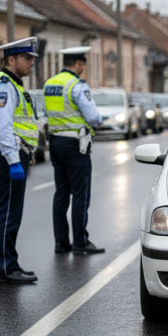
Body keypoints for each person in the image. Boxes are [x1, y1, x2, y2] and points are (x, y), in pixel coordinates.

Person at [0, 37, 40, 284]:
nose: (31, 63)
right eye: (27, 58)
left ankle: (2, 265)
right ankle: (6, 267)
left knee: (4, 212)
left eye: (32, 59)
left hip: (14, 154)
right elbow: (4, 128)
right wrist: (13, 160)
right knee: (8, 213)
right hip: (9, 156)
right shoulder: (5, 86)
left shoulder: (14, 85)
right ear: (11, 59)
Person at [45, 46, 105, 255]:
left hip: (55, 143)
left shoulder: (50, 84)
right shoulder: (77, 86)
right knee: (80, 193)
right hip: (75, 145)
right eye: (83, 65)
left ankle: (61, 242)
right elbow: (92, 117)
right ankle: (80, 241)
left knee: (61, 194)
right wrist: (99, 121)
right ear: (79, 64)